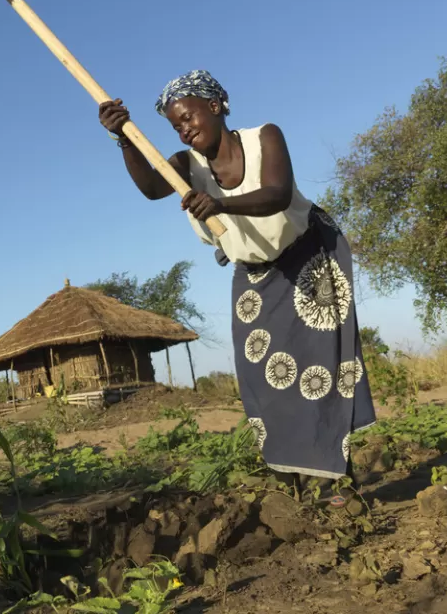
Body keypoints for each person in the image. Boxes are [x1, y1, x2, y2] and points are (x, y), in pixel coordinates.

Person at [98, 70, 376, 489]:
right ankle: (292, 478)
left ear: (214, 107)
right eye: (175, 126)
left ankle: (338, 477)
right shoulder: (186, 166)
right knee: (263, 376)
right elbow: (153, 188)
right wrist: (124, 139)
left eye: (188, 117)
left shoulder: (264, 137)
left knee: (322, 367)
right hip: (255, 272)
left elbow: (278, 192)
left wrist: (221, 204)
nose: (184, 130)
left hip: (308, 254)